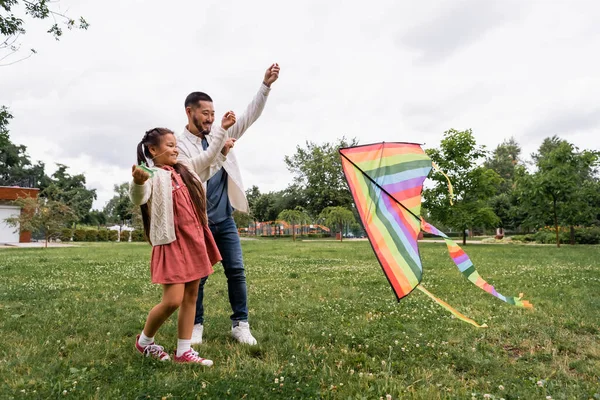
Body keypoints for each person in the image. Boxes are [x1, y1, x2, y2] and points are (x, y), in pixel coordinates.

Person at [177, 63, 280, 346]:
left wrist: (265, 86)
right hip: (198, 222)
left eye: (213, 113)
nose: (210, 119)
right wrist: (221, 148)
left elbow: (250, 115)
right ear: (190, 112)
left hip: (224, 220)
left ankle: (240, 324)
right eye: (205, 114)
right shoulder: (180, 145)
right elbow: (196, 172)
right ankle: (196, 324)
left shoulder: (220, 132)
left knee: (236, 270)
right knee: (199, 277)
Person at [129, 111, 235, 364]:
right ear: (153, 150)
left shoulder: (184, 169)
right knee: (173, 300)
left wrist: (221, 131)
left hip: (194, 240)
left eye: (176, 145)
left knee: (191, 296)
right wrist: (137, 181)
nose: (176, 150)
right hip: (172, 244)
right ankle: (144, 342)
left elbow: (208, 157)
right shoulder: (151, 175)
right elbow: (138, 198)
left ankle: (183, 351)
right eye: (170, 146)